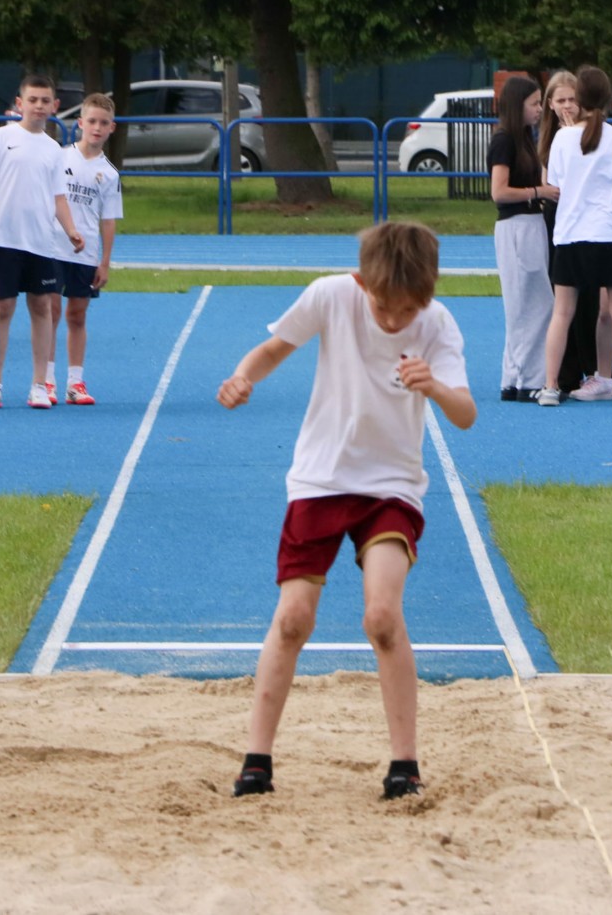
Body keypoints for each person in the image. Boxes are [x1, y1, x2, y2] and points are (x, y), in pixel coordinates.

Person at [219, 222, 475, 800]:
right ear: (362, 283)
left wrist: (433, 386)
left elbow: (466, 414)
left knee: (381, 616)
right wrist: (241, 377)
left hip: (391, 487)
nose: (394, 320)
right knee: (293, 618)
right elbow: (274, 349)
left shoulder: (437, 324)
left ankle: (404, 764)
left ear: (428, 296)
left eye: (407, 309)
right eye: (384, 307)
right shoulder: (331, 295)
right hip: (321, 478)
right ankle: (257, 759)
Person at [0, 75, 76, 411]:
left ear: (54, 106)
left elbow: (58, 197)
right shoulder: (1, 137)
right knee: (2, 308)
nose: (39, 106)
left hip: (41, 243)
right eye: (32, 100)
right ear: (20, 103)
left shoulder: (54, 150)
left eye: (45, 101)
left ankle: (39, 385)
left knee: (41, 307)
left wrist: (71, 230)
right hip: (5, 240)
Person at [540, 66, 612, 406]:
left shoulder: (562, 139)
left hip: (570, 235)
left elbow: (555, 184)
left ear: (578, 99)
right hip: (610, 233)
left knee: (561, 312)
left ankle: (550, 386)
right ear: (610, 99)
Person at [51, 93, 122, 405]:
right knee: (50, 313)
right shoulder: (60, 158)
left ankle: (75, 382)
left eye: (103, 123)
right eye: (91, 121)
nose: (97, 127)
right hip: (53, 248)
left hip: (86, 253)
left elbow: (108, 220)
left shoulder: (110, 174)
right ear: (80, 123)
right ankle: (46, 380)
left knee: (77, 315)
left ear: (111, 128)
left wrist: (104, 261)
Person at [489, 75, 556, 401]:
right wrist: (539, 192)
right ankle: (528, 380)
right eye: (534, 103)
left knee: (525, 304)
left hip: (529, 223)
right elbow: (499, 192)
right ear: (518, 106)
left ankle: (513, 378)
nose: (540, 109)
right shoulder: (505, 140)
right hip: (517, 226)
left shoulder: (525, 138)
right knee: (533, 304)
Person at [537, 69, 599, 393]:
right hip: (557, 218)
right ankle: (566, 372)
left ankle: (594, 368)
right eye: (560, 100)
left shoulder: (591, 134)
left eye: (572, 99)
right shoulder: (550, 138)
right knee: (562, 297)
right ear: (550, 104)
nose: (567, 106)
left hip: (586, 218)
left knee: (589, 299)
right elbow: (550, 183)